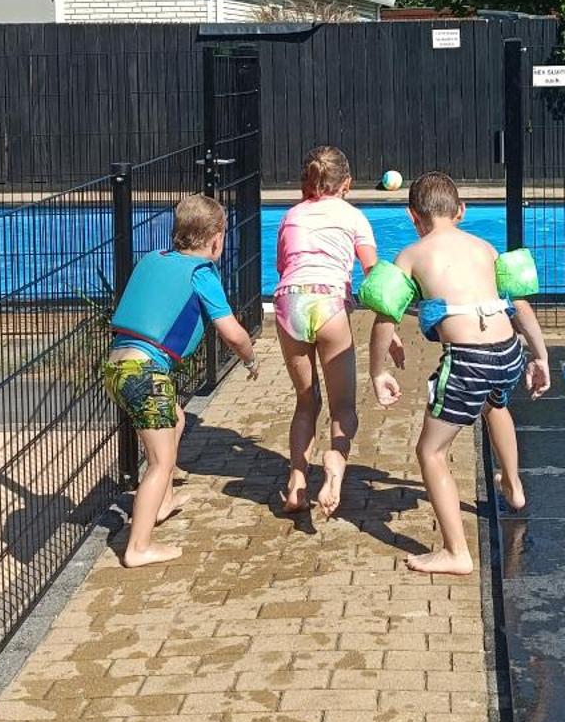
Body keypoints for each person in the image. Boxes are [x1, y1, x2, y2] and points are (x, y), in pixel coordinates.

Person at [367, 170, 550, 576]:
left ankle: (456, 553)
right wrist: (540, 357)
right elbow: (518, 305)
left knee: (430, 451)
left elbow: (384, 318)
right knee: (495, 404)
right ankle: (514, 489)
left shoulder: (411, 255)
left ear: (414, 217)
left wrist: (377, 372)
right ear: (462, 211)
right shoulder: (485, 248)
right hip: (507, 352)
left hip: (467, 360)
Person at [104, 192, 258, 568]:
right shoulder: (201, 273)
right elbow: (232, 332)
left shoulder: (153, 259)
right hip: (146, 374)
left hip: (117, 365)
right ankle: (138, 546)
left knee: (177, 419)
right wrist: (250, 358)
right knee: (160, 461)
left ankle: (165, 501)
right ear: (216, 238)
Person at [273, 145, 378, 518]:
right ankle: (333, 471)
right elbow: (375, 277)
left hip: (289, 303)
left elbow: (283, 265)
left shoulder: (289, 217)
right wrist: (390, 328)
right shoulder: (353, 217)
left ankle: (297, 483)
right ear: (347, 184)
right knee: (343, 408)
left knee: (306, 401)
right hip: (329, 304)